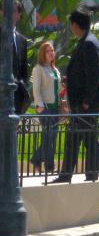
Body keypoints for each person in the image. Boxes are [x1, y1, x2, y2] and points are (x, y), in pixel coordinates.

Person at [51, 10, 99, 183]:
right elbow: (85, 72)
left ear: (75, 25)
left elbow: (93, 75)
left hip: (84, 104)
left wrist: (87, 101)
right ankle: (82, 174)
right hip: (83, 103)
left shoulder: (88, 44)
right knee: (80, 138)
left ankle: (82, 174)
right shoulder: (88, 41)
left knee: (81, 139)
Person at [30, 42, 62, 174]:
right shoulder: (39, 68)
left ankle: (36, 159)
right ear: (43, 54)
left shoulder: (54, 69)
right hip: (45, 107)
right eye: (48, 51)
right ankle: (50, 167)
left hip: (55, 107)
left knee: (51, 137)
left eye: (52, 50)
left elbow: (58, 88)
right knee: (49, 137)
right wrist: (39, 105)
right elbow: (36, 89)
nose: (51, 53)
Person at [1, 0, 30, 114]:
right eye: (5, 10)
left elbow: (23, 70)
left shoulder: (21, 40)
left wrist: (23, 87)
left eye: (12, 11)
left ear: (19, 15)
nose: (8, 13)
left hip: (16, 97)